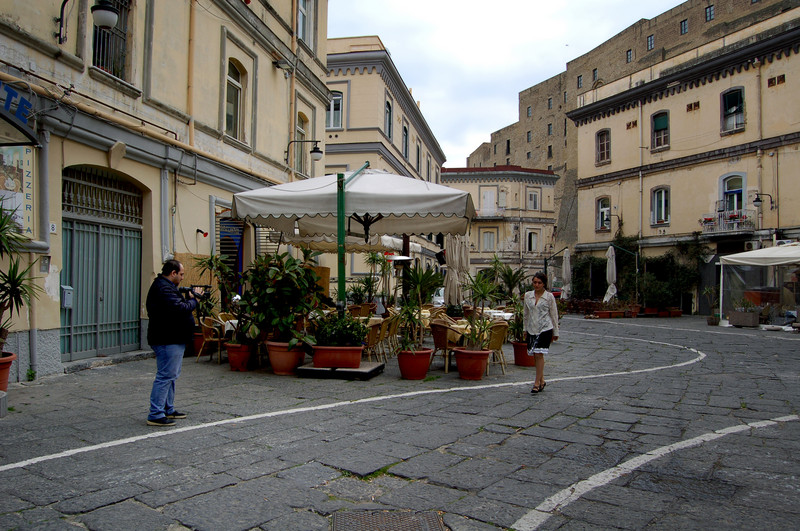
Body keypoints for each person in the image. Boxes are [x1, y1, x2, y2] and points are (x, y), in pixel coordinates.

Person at [146, 259, 199, 426]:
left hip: (171, 337)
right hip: (167, 338)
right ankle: (156, 413)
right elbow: (180, 309)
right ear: (173, 273)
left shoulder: (165, 287)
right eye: (181, 274)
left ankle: (168, 408)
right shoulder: (163, 288)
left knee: (171, 376)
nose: (183, 278)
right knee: (165, 376)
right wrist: (195, 300)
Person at [523, 271, 559, 394]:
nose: (536, 285)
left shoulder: (549, 297)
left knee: (539, 354)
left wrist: (556, 331)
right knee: (535, 355)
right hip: (532, 327)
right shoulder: (528, 296)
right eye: (534, 282)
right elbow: (526, 314)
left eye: (539, 283)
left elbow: (554, 314)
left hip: (545, 328)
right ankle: (542, 380)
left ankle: (536, 383)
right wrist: (524, 329)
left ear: (544, 284)